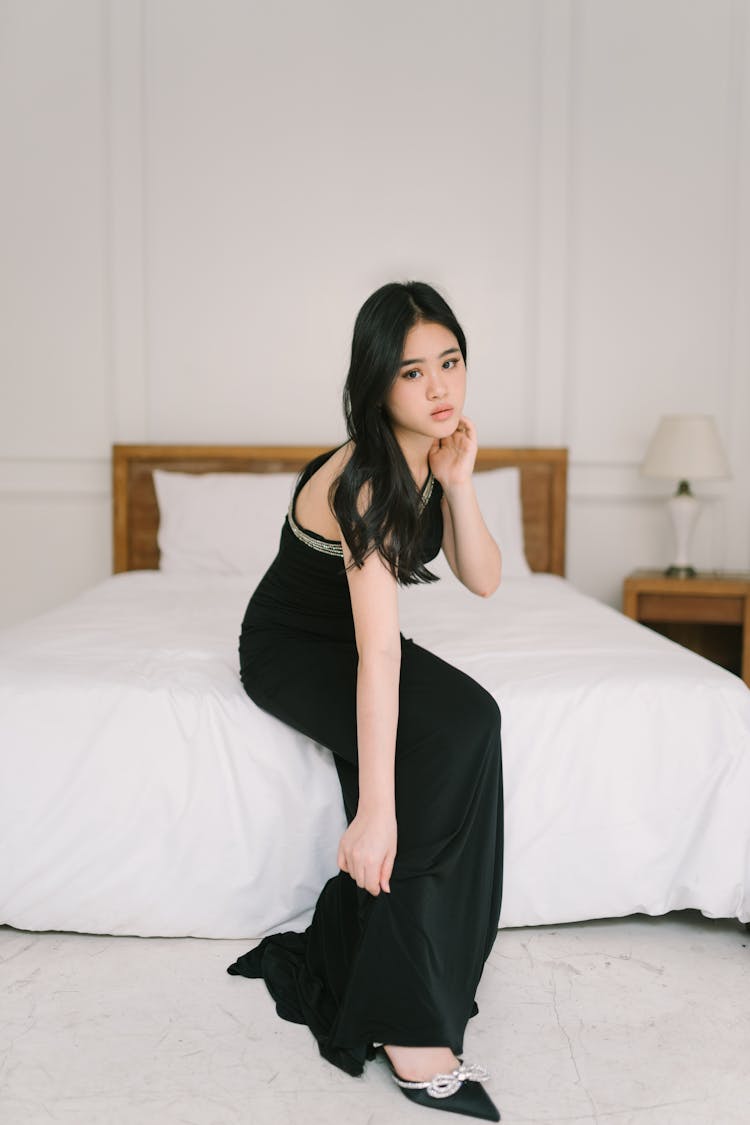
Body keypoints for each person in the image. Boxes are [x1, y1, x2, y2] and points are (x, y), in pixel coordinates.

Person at [227, 280, 504, 1121]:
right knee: (427, 752)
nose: (439, 386)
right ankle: (403, 1020)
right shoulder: (364, 481)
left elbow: (485, 579)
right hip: (293, 650)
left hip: (352, 640)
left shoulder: (431, 449)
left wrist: (459, 481)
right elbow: (377, 651)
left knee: (475, 719)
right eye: (414, 372)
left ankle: (425, 969)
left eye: (449, 362)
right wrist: (374, 810)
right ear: (378, 382)